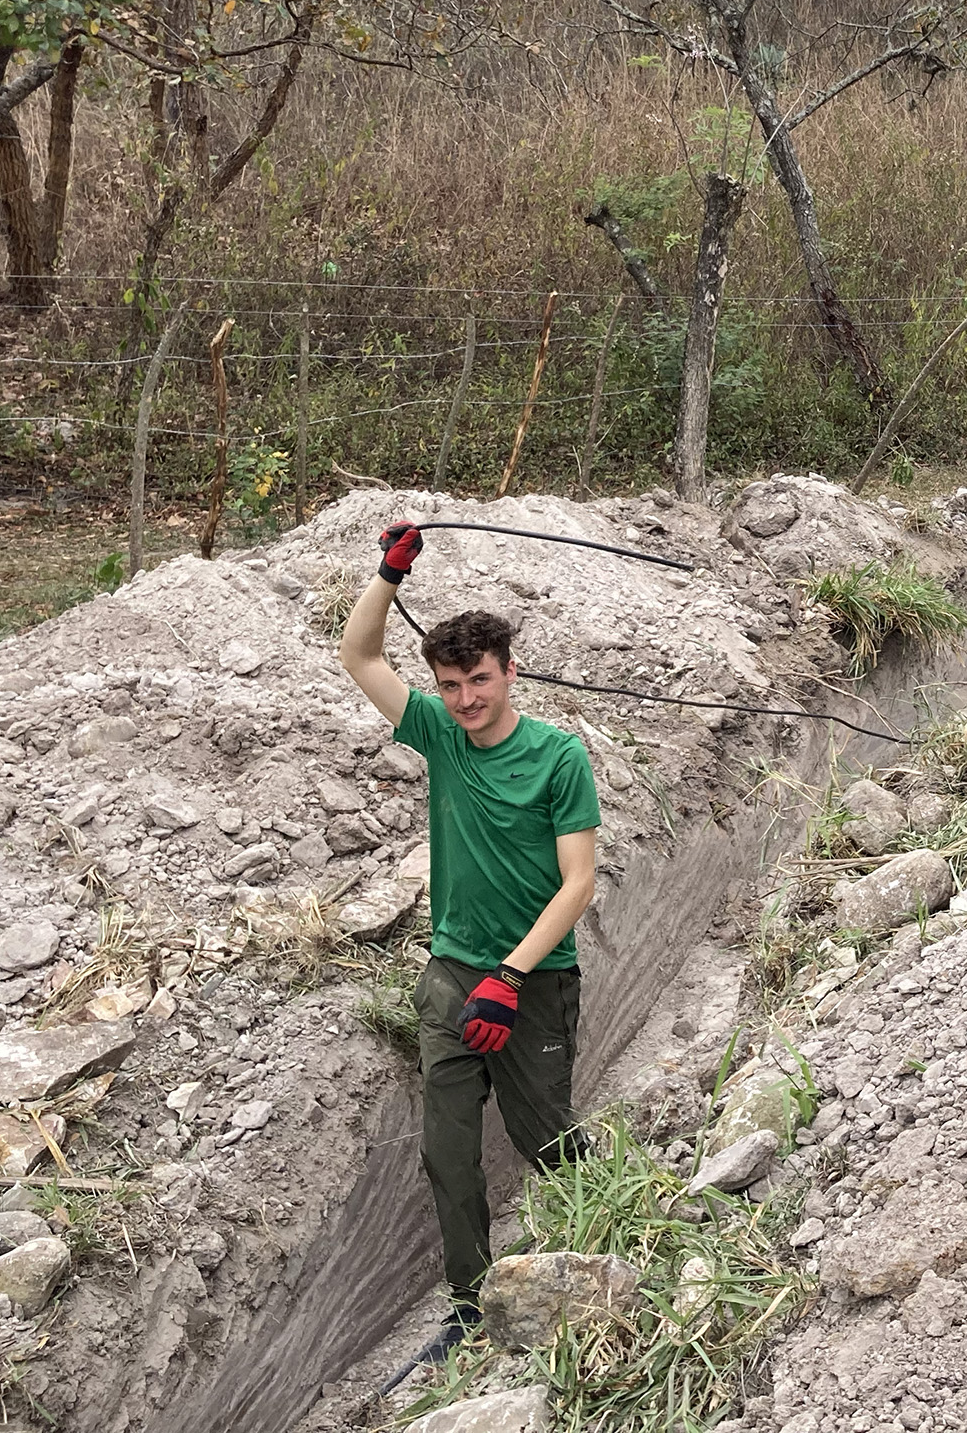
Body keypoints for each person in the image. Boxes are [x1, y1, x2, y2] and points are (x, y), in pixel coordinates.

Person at [339, 522, 604, 1360]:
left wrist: (513, 976)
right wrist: (388, 573)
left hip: (535, 982)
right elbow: (359, 655)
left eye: (478, 681)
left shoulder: (559, 757)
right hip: (453, 976)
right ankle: (469, 1298)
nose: (464, 700)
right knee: (447, 1151)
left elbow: (578, 884)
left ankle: (602, 1249)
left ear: (509, 671)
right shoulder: (441, 737)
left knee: (547, 1141)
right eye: (450, 685)